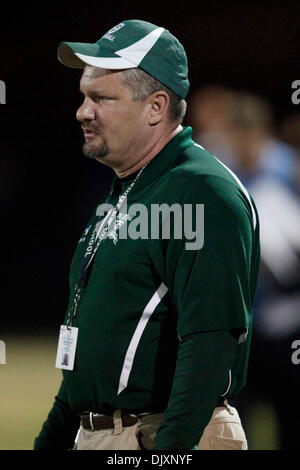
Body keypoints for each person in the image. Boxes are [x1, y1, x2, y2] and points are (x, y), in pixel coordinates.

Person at [34, 19, 260, 451]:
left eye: (100, 97)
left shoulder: (201, 191)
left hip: (160, 436)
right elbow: (96, 350)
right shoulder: (130, 188)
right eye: (83, 96)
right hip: (113, 433)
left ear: (156, 106)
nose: (83, 111)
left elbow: (210, 345)